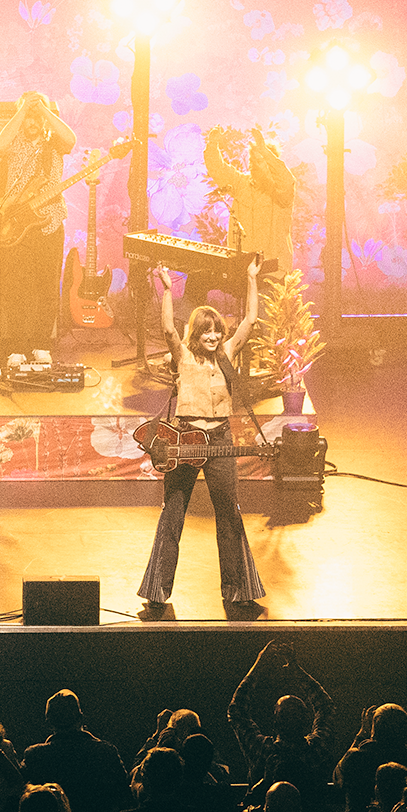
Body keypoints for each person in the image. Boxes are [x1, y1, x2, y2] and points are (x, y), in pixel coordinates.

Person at [137, 255, 266, 615]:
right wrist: (166, 290)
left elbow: (251, 320)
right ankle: (157, 592)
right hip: (185, 440)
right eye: (206, 331)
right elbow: (167, 330)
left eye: (217, 331)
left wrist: (251, 278)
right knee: (173, 513)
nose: (212, 336)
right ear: (196, 333)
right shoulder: (183, 356)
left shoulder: (226, 353)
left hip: (220, 440)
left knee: (229, 513)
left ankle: (239, 589)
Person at [0, 90, 77, 354]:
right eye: (28, 119)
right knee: (17, 291)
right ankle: (17, 350)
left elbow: (71, 139)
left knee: (47, 289)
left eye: (36, 119)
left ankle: (42, 347)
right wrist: (22, 110)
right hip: (18, 227)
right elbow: (0, 145)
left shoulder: (54, 143)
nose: (31, 123)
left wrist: (43, 110)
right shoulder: (15, 144)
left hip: (50, 224)